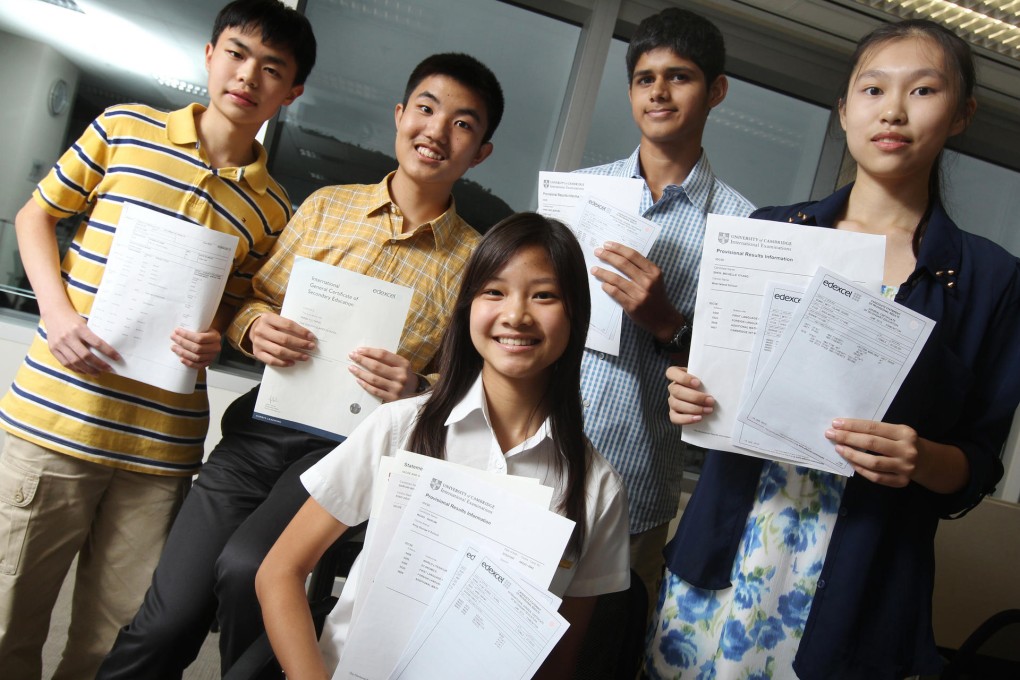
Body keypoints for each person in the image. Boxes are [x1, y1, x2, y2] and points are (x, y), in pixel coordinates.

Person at [98, 53, 504, 679]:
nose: (436, 130)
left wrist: (418, 387)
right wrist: (257, 327)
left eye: (462, 124)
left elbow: (470, 386)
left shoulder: (477, 263)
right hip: (260, 432)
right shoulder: (325, 207)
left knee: (247, 572)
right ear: (400, 117)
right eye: (425, 109)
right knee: (168, 616)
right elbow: (251, 300)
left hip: (353, 453)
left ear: (480, 152)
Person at [651, 19, 1020, 679]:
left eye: (924, 91)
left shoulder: (989, 279)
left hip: (862, 583)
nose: (894, 110)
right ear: (845, 110)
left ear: (961, 113)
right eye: (873, 89)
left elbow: (979, 464)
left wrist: (922, 457)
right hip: (726, 557)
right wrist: (689, 392)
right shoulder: (770, 232)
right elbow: (712, 380)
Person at [0, 1, 314, 677]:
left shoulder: (273, 208)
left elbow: (236, 311)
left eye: (271, 69)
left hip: (159, 452)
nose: (247, 76)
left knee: (112, 640)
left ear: (292, 93)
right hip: (54, 422)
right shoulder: (124, 129)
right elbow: (34, 216)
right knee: (8, 622)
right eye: (235, 53)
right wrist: (56, 315)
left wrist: (219, 343)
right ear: (209, 55)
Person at [256, 212, 630, 678]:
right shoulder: (399, 428)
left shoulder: (598, 488)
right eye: (494, 291)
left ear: (576, 315)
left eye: (544, 295)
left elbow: (559, 659)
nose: (516, 314)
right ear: (467, 308)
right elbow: (279, 573)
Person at [574, 7, 753, 602]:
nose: (659, 91)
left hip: (637, 485)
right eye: (645, 78)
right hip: (536, 455)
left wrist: (668, 324)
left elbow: (737, 385)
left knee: (598, 657)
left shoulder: (743, 226)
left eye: (680, 76)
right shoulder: (578, 195)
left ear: (716, 91)